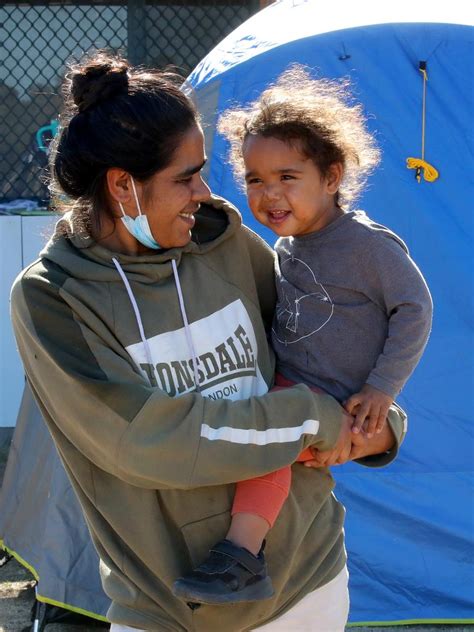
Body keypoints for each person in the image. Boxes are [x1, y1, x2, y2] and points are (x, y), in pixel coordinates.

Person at [10, 52, 406, 632]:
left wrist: (377, 424)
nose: (204, 191)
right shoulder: (56, 298)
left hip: (308, 582)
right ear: (124, 187)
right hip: (170, 611)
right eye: (185, 176)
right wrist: (314, 420)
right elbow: (148, 440)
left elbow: (321, 343)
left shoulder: (219, 242)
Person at [174, 66, 432, 607]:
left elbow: (415, 308)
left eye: (287, 177)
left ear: (332, 177)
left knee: (270, 439)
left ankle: (241, 554)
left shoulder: (365, 245)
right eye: (254, 180)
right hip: (289, 382)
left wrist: (383, 390)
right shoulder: (288, 246)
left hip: (323, 396)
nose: (268, 194)